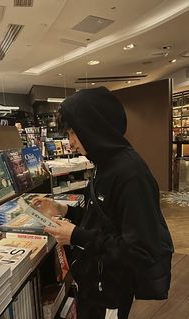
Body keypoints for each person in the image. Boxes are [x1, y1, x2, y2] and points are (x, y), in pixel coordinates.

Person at [31, 86, 174, 319]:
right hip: (94, 283)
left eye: (72, 133)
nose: (70, 143)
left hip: (110, 290)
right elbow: (101, 219)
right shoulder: (104, 165)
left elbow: (141, 250)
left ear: (91, 129)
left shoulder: (132, 176)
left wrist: (76, 236)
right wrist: (63, 209)